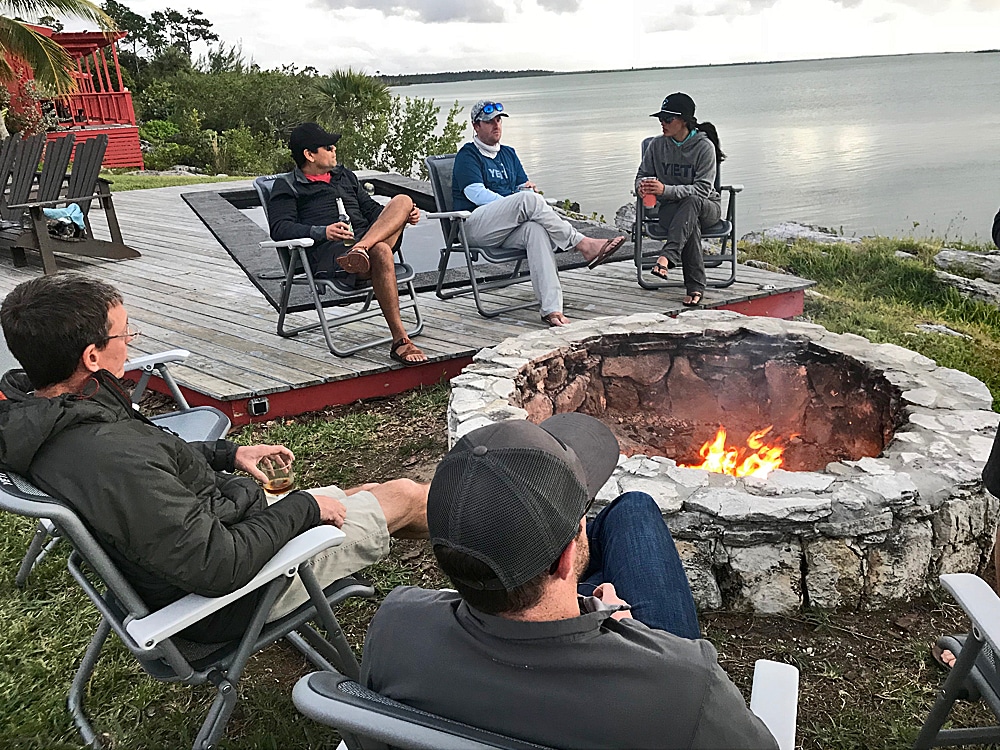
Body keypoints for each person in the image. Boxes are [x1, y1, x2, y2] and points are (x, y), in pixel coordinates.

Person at [0, 273, 429, 643]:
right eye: (125, 334)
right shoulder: (107, 456)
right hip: (232, 596)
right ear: (91, 357)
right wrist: (305, 508)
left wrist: (229, 452)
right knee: (406, 495)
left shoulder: (46, 413)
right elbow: (217, 565)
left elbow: (154, 459)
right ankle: (490, 563)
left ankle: (469, 555)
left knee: (367, 492)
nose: (130, 344)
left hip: (212, 530)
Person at [361, 414, 779, 749]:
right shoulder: (685, 685)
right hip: (633, 691)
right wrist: (626, 632)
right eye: (579, 524)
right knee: (634, 510)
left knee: (627, 512)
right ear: (564, 560)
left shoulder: (394, 628)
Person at [452, 100, 627, 327]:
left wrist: (525, 191)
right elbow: (475, 193)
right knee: (527, 201)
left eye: (498, 120)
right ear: (476, 126)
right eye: (489, 122)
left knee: (535, 230)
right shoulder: (468, 155)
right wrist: (518, 199)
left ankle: (551, 309)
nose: (496, 125)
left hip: (505, 227)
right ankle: (582, 244)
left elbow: (520, 189)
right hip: (473, 226)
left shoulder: (508, 154)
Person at [267, 122, 426, 365]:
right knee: (382, 250)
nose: (334, 150)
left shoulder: (345, 176)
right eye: (328, 147)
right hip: (331, 255)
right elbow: (280, 229)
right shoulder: (289, 186)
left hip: (364, 242)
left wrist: (403, 215)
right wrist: (323, 231)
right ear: (309, 155)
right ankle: (400, 340)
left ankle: (361, 249)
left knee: (403, 200)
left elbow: (372, 210)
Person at [636, 92, 725, 308]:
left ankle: (668, 255)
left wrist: (665, 189)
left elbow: (703, 189)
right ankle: (695, 287)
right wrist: (641, 187)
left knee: (692, 202)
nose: (662, 124)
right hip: (672, 212)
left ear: (684, 120)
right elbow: (641, 175)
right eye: (660, 119)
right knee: (687, 221)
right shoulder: (656, 146)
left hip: (706, 208)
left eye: (668, 119)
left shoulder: (704, 147)